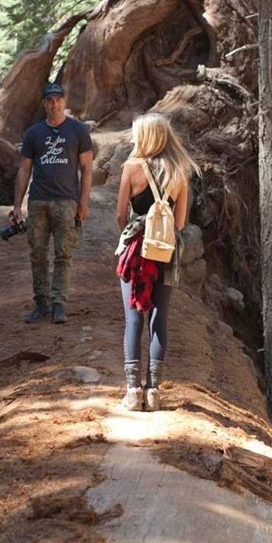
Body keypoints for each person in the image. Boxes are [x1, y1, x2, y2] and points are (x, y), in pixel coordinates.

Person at [115, 112, 200, 411]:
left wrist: (134, 230)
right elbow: (179, 222)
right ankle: (153, 393)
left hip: (136, 251)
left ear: (146, 136)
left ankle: (132, 392)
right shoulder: (180, 171)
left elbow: (120, 216)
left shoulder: (131, 168)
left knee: (133, 318)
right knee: (159, 318)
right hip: (166, 252)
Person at [12, 83, 93, 325]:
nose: (54, 104)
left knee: (63, 254)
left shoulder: (78, 130)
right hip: (38, 202)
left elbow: (87, 169)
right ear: (44, 103)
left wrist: (84, 202)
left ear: (64, 102)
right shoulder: (33, 133)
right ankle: (41, 304)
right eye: (50, 100)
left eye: (58, 100)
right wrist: (17, 205)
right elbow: (24, 170)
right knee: (37, 254)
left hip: (67, 202)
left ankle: (59, 304)